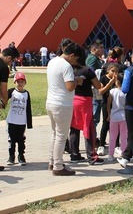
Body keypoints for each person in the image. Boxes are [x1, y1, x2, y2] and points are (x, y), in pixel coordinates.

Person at [46, 41, 82, 176]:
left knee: (55, 133)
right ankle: (58, 165)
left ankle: (52, 161)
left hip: (51, 101)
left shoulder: (52, 61)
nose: (75, 62)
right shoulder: (66, 66)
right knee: (61, 136)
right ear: (71, 55)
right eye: (76, 59)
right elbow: (69, 87)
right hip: (62, 104)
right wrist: (77, 81)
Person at [69, 49, 104, 165]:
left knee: (74, 128)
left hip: (73, 100)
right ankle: (91, 156)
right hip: (85, 101)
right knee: (88, 128)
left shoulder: (71, 70)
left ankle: (74, 155)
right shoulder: (88, 70)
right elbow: (98, 85)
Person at [5, 72, 33, 166]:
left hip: (21, 121)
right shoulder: (12, 91)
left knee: (21, 140)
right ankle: (11, 156)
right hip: (12, 120)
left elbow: (28, 108)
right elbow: (4, 98)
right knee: (11, 140)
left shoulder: (26, 94)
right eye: (18, 81)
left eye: (22, 81)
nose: (20, 83)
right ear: (14, 82)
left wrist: (29, 123)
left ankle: (21, 156)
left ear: (25, 83)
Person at [107, 73, 127, 162]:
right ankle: (124, 153)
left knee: (112, 136)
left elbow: (108, 103)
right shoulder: (126, 92)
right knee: (124, 136)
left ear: (117, 82)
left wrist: (108, 114)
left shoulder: (112, 91)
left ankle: (110, 154)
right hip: (124, 116)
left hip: (114, 116)